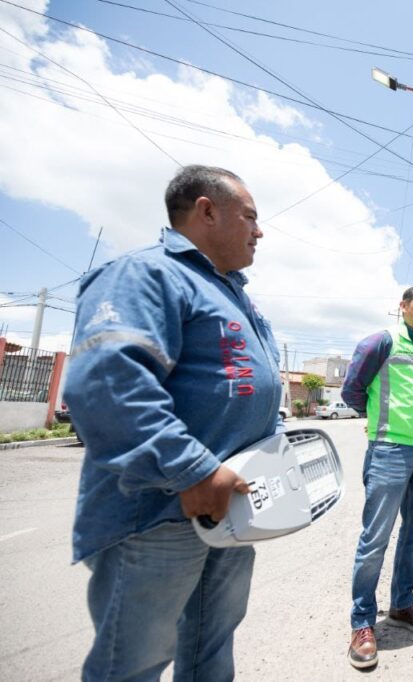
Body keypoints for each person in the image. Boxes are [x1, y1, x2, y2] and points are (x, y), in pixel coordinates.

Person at [64, 165, 282, 681]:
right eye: (249, 216)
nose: (260, 230)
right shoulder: (147, 274)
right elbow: (109, 383)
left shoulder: (231, 292)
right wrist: (194, 472)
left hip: (226, 513)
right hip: (159, 516)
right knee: (132, 666)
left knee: (211, 649)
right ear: (206, 211)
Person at [343, 286, 413, 670]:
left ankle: (403, 603)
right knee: (375, 539)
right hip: (389, 450)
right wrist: (377, 423)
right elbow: (352, 391)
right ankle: (362, 623)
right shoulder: (381, 343)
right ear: (402, 307)